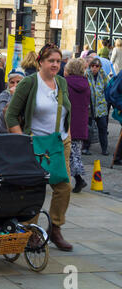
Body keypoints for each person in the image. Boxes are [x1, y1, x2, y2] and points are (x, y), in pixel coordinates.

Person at [5, 43, 73, 252]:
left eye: (58, 61)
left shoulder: (61, 82)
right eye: (51, 61)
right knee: (35, 187)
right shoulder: (29, 83)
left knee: (64, 186)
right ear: (40, 62)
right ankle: (30, 231)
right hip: (35, 143)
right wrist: (24, 142)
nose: (55, 65)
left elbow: (64, 112)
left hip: (59, 143)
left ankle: (55, 228)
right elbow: (10, 116)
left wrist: (67, 135)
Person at [64, 58, 91, 193]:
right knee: (75, 153)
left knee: (69, 154)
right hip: (80, 123)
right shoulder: (86, 83)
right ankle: (78, 179)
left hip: (67, 124)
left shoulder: (65, 83)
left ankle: (79, 179)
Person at [83, 58, 109, 156]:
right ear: (90, 66)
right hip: (89, 106)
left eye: (97, 66)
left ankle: (104, 149)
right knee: (88, 127)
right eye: (92, 66)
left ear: (100, 67)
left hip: (100, 106)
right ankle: (86, 148)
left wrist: (104, 99)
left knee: (103, 127)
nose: (94, 68)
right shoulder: (86, 74)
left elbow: (108, 87)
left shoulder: (103, 75)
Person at [0, 68, 25, 135]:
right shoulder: (4, 95)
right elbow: (3, 116)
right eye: (12, 82)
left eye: (18, 82)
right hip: (3, 133)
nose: (15, 85)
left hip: (22, 133)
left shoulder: (27, 95)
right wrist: (13, 96)